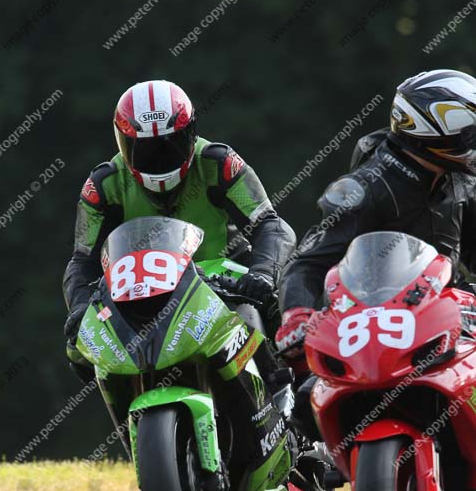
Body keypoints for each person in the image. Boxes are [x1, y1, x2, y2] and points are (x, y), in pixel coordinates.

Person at [63, 79, 296, 380]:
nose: (160, 158)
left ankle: (298, 394)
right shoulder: (103, 185)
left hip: (224, 278)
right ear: (124, 143)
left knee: (277, 307)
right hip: (142, 295)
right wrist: (80, 306)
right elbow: (83, 260)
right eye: (146, 149)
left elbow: (271, 225)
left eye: (170, 145)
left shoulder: (219, 163)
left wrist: (263, 273)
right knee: (78, 349)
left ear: (191, 133)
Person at [276, 69, 476, 371]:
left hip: (451, 335)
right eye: (470, 132)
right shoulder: (364, 189)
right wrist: (297, 316)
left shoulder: (460, 182)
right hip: (369, 345)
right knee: (305, 402)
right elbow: (307, 263)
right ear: (433, 128)